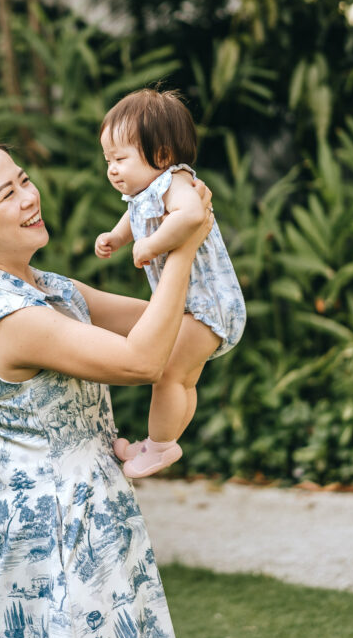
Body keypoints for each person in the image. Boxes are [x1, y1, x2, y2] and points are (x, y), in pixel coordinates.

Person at [0, 138, 213, 638]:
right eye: (7, 194)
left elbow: (177, 327)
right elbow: (142, 361)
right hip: (58, 532)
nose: (29, 197)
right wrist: (182, 247)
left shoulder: (52, 290)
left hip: (102, 512)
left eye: (25, 179)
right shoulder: (7, 317)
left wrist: (179, 217)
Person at [94, 88, 246, 478]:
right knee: (185, 379)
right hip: (198, 307)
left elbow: (193, 215)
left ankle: (160, 447)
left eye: (120, 158)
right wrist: (116, 237)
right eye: (108, 159)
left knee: (168, 375)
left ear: (160, 156)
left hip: (207, 306)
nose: (112, 168)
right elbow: (133, 217)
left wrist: (153, 244)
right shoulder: (147, 193)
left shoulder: (176, 183)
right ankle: (160, 442)